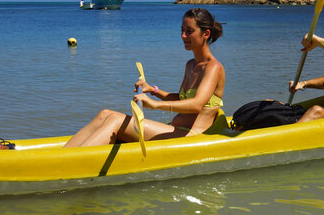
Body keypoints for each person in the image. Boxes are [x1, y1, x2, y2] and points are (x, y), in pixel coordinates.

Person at [63, 8, 225, 147]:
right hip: (175, 130)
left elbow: (196, 105)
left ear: (206, 34)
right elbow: (181, 98)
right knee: (105, 114)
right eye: (181, 30)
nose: (183, 35)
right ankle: (62, 156)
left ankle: (69, 164)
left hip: (191, 137)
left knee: (116, 121)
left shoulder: (213, 68)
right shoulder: (191, 64)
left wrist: (154, 105)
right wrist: (153, 90)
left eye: (189, 31)